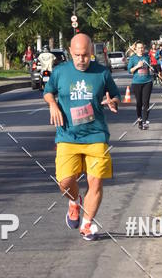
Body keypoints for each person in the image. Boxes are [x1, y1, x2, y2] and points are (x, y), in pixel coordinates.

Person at [44, 33, 120, 240]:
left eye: (85, 55)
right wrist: (52, 104)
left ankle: (87, 224)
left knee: (95, 182)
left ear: (92, 53)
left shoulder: (102, 73)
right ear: (70, 52)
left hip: (96, 135)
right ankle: (74, 200)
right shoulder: (60, 72)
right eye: (77, 55)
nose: (81, 59)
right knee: (65, 182)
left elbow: (115, 94)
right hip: (67, 136)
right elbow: (48, 91)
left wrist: (113, 101)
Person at [127, 41, 153, 129]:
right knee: (139, 103)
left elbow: (150, 67)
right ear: (136, 49)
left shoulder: (147, 57)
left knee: (146, 102)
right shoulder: (133, 58)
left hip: (147, 82)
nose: (141, 49)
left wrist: (152, 69)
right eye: (139, 48)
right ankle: (140, 119)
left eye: (142, 48)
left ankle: (145, 121)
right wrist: (138, 66)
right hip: (136, 83)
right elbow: (130, 71)